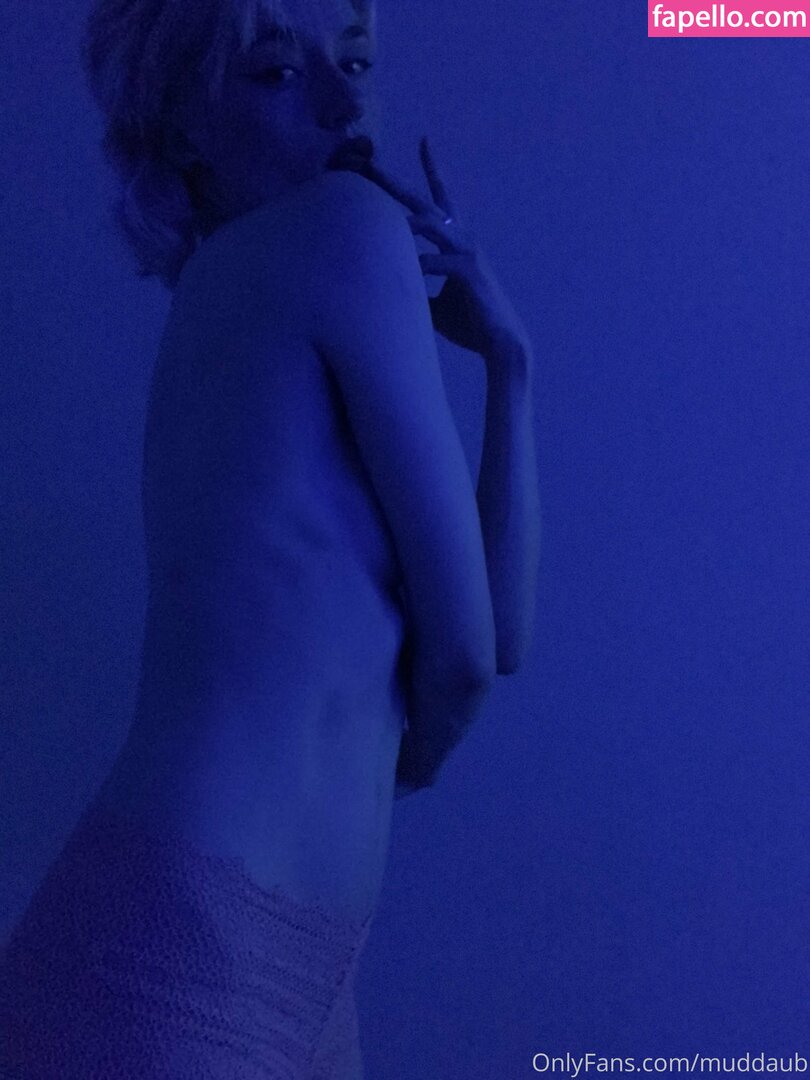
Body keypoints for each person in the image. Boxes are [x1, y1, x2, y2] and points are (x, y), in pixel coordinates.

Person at [0, 0, 541, 1075]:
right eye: (277, 73)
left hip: (252, 960)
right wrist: (411, 753)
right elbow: (470, 657)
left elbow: (491, 639)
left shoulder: (237, 288)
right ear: (184, 123)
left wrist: (509, 367)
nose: (344, 104)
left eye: (356, 61)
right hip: (182, 960)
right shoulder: (341, 229)